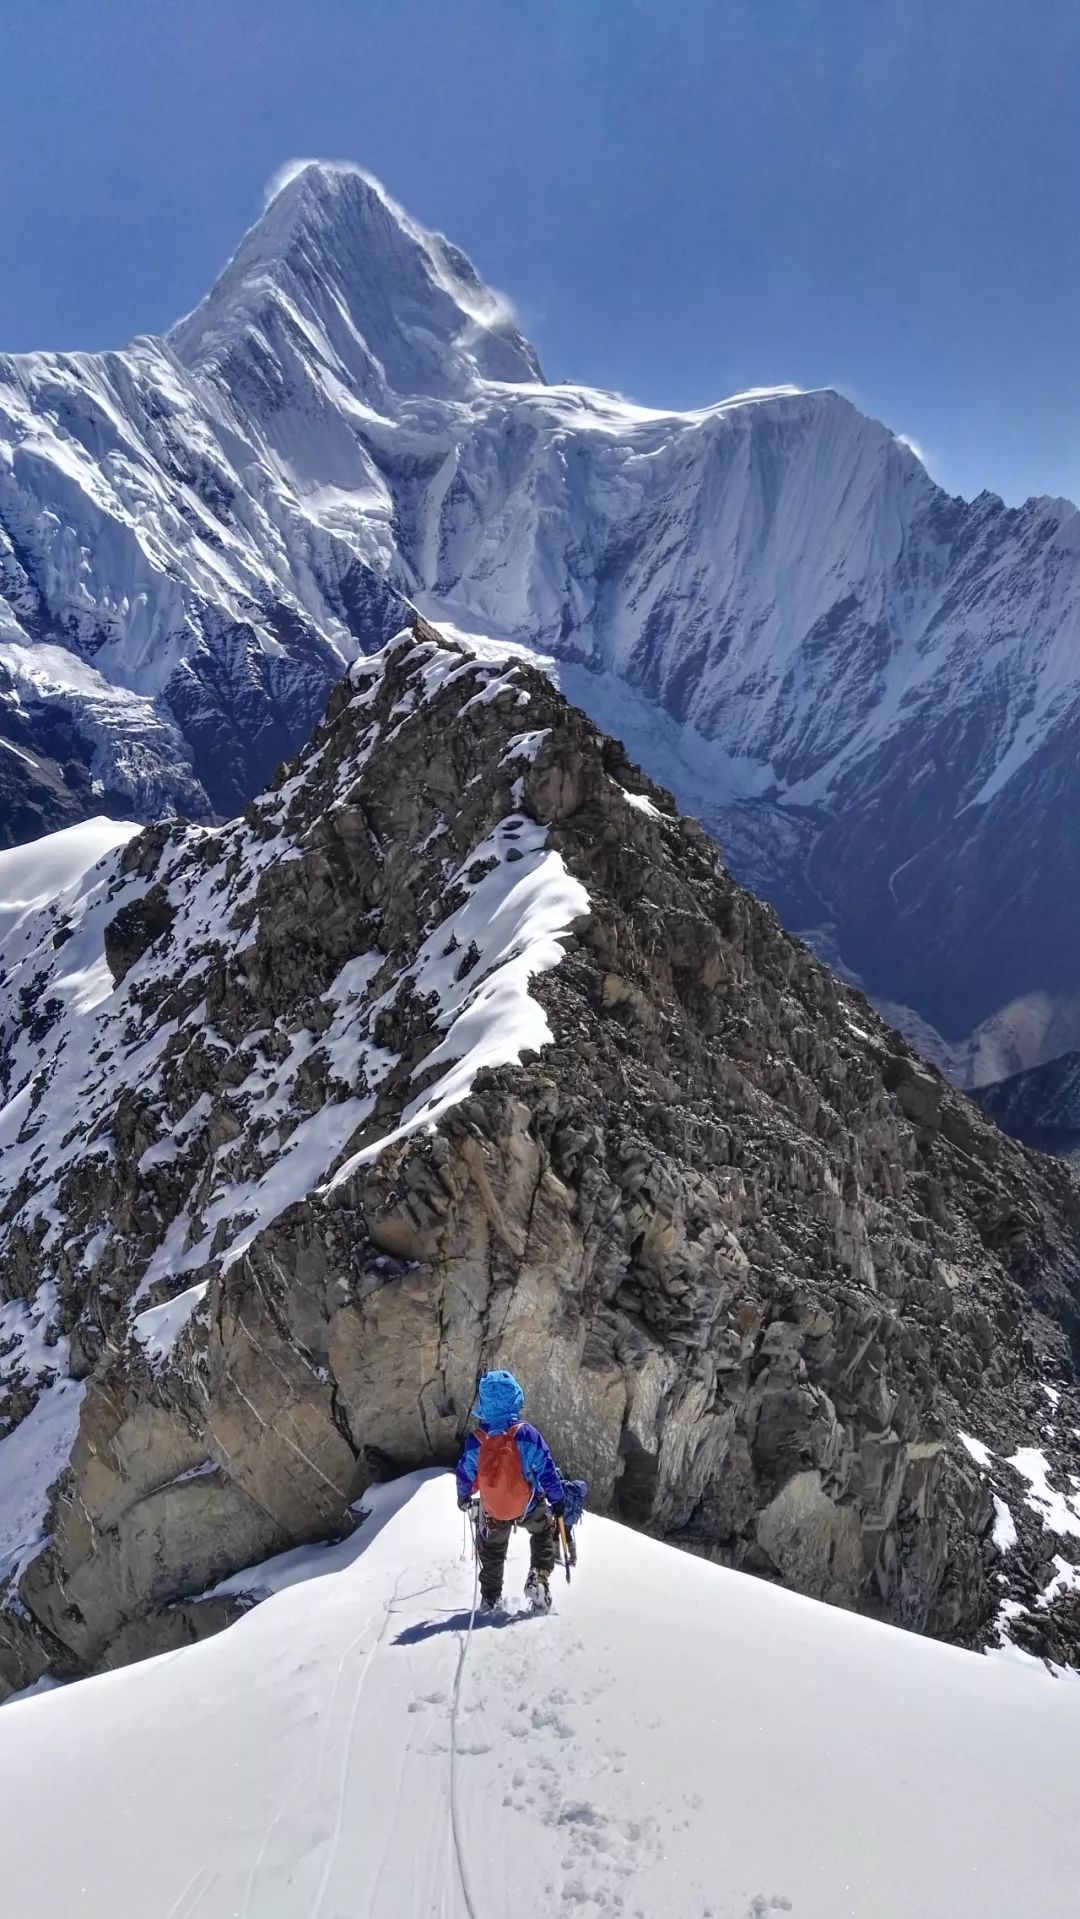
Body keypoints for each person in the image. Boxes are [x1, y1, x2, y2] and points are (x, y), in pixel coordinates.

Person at [455, 1369, 566, 1613]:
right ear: (516, 1395)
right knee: (544, 1530)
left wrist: (463, 1497)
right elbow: (546, 1470)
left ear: (483, 1401)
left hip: (493, 1509)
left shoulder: (476, 1440)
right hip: (526, 1504)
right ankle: (539, 1578)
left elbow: (465, 1473)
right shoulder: (526, 1434)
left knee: (493, 1550)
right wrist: (557, 1499)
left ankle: (490, 1599)